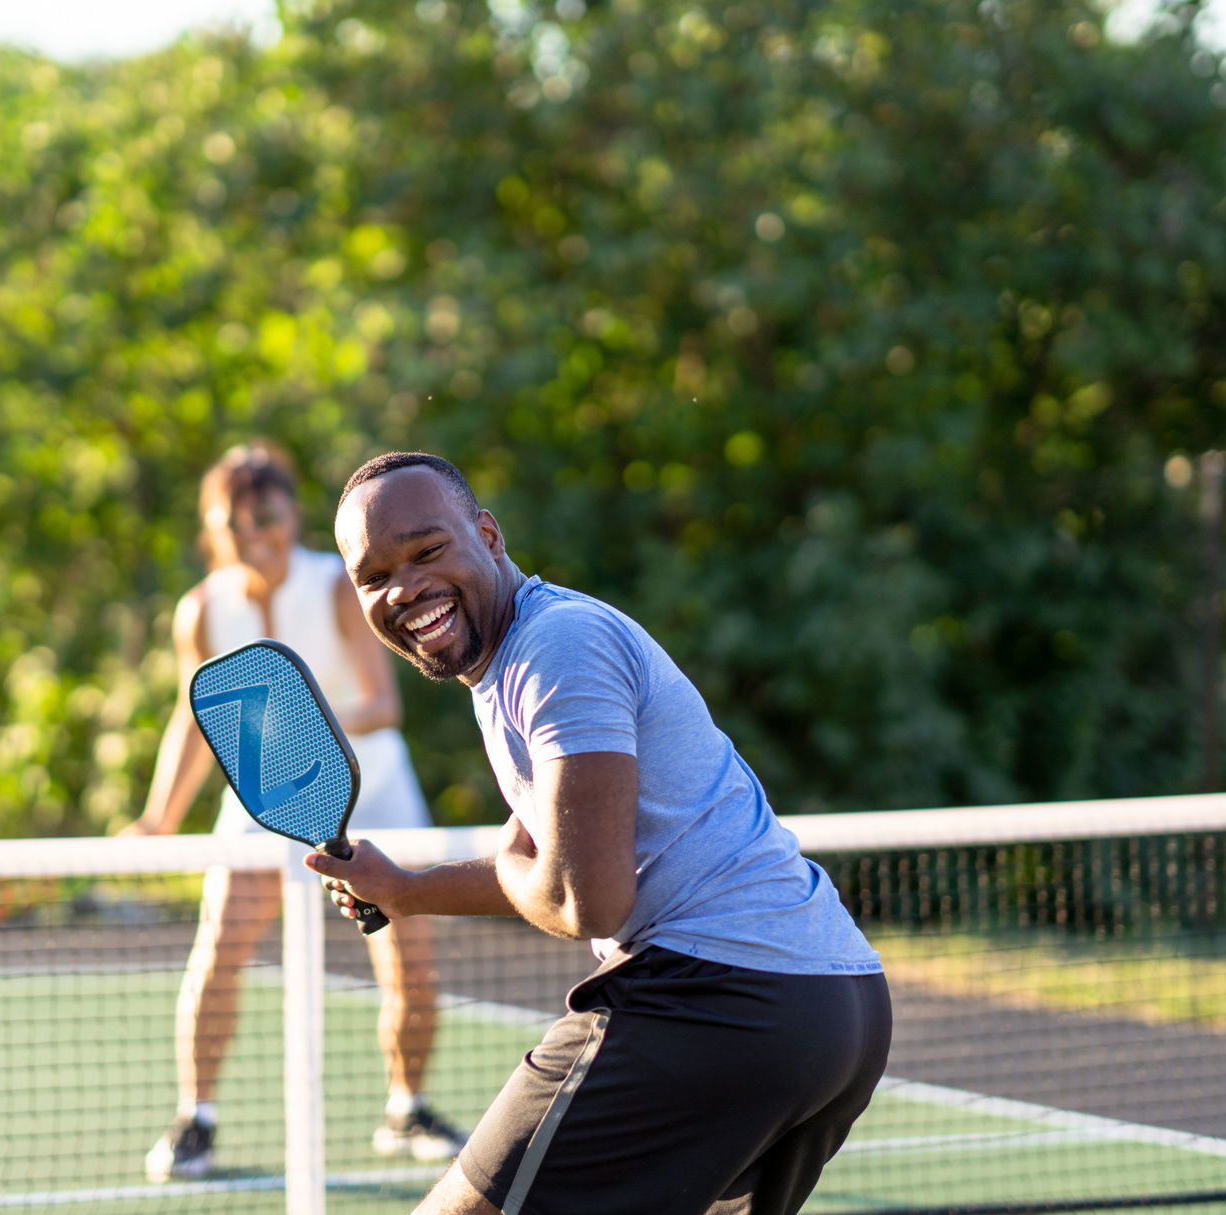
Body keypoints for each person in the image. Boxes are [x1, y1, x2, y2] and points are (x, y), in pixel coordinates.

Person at [307, 451, 892, 1215]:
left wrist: (522, 862)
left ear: (488, 535)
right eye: (373, 575)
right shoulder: (518, 658)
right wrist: (407, 890)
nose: (404, 587)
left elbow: (588, 899)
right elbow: (556, 859)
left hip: (720, 998)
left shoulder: (557, 648)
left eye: (427, 550)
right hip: (834, 1005)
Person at [126, 441, 467, 1182]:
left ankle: (406, 1106)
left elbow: (383, 703)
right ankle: (197, 1118)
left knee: (408, 957)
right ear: (215, 528)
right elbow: (194, 721)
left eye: (267, 515)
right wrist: (157, 817)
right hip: (261, 804)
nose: (254, 532)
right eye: (234, 521)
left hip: (373, 791)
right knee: (218, 947)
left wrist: (300, 730)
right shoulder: (201, 609)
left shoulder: (337, 584)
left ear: (290, 514)